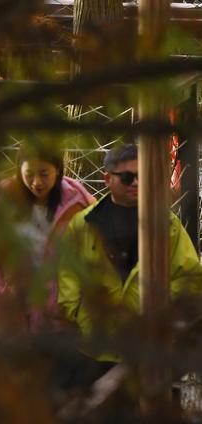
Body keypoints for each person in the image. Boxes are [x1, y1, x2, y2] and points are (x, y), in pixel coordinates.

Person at [57, 142, 202, 376]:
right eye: (126, 177)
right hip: (94, 345)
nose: (135, 182)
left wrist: (159, 309)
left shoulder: (167, 225)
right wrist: (75, 315)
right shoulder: (83, 224)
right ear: (107, 179)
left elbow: (189, 277)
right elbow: (68, 274)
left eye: (141, 176)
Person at [0, 147, 94, 332]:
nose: (36, 182)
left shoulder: (79, 204)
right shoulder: (0, 203)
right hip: (9, 314)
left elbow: (94, 257)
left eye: (44, 174)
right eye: (29, 174)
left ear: (58, 169)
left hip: (62, 316)